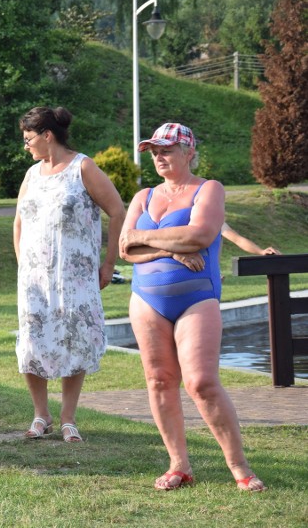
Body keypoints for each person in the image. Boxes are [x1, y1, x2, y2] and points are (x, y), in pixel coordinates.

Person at [119, 123, 265, 492]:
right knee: (159, 380)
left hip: (197, 298)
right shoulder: (143, 197)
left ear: (188, 152)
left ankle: (240, 467)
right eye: (154, 151)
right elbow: (125, 249)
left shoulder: (208, 189)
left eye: (166, 150)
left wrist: (142, 236)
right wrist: (169, 249)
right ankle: (179, 465)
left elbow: (199, 235)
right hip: (146, 300)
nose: (159, 157)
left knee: (201, 382)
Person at [14, 107, 125, 443]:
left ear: (48, 136)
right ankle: (40, 414)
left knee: (73, 338)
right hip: (34, 278)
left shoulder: (83, 167)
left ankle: (68, 417)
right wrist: (23, 265)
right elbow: (18, 220)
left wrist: (109, 263)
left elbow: (118, 210)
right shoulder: (32, 174)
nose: (26, 146)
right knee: (33, 342)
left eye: (29, 139)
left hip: (74, 276)